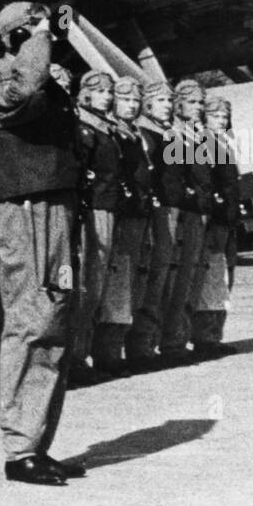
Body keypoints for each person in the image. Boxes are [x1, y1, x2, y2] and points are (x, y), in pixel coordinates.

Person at [0, 1, 84, 486]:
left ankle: (36, 441)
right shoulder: (5, 75)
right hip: (27, 212)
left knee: (55, 321)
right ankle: (19, 447)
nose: (51, 37)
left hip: (56, 208)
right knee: (30, 322)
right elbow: (23, 93)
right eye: (39, 31)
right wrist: (39, 40)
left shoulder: (42, 78)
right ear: (19, 36)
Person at [93, 76, 151, 373]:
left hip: (134, 211)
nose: (132, 105)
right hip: (118, 211)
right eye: (125, 99)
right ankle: (106, 354)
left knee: (127, 281)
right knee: (113, 281)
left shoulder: (132, 132)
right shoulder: (111, 132)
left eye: (135, 100)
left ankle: (119, 349)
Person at [70, 71, 122, 385]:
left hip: (108, 206)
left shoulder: (107, 128)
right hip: (92, 209)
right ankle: (74, 358)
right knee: (85, 284)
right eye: (100, 91)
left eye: (109, 92)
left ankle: (84, 355)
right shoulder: (83, 128)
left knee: (97, 285)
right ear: (86, 94)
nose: (107, 96)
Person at [125, 80, 181, 365]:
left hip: (173, 208)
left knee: (164, 276)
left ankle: (153, 341)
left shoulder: (168, 132)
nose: (167, 106)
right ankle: (140, 344)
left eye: (170, 101)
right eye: (161, 101)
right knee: (151, 275)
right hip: (158, 210)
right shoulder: (145, 133)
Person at [159, 79, 211, 363]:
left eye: (201, 103)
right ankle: (169, 342)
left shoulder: (196, 134)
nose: (199, 108)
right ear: (179, 104)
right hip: (183, 211)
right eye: (192, 102)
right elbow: (174, 177)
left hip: (198, 211)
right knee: (175, 279)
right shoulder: (174, 135)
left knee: (190, 278)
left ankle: (180, 337)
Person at [190, 94, 240, 357]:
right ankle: (204, 337)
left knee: (224, 277)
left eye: (224, 117)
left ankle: (214, 334)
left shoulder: (224, 143)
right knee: (212, 276)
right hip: (215, 220)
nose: (221, 121)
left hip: (228, 220)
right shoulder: (203, 144)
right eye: (216, 116)